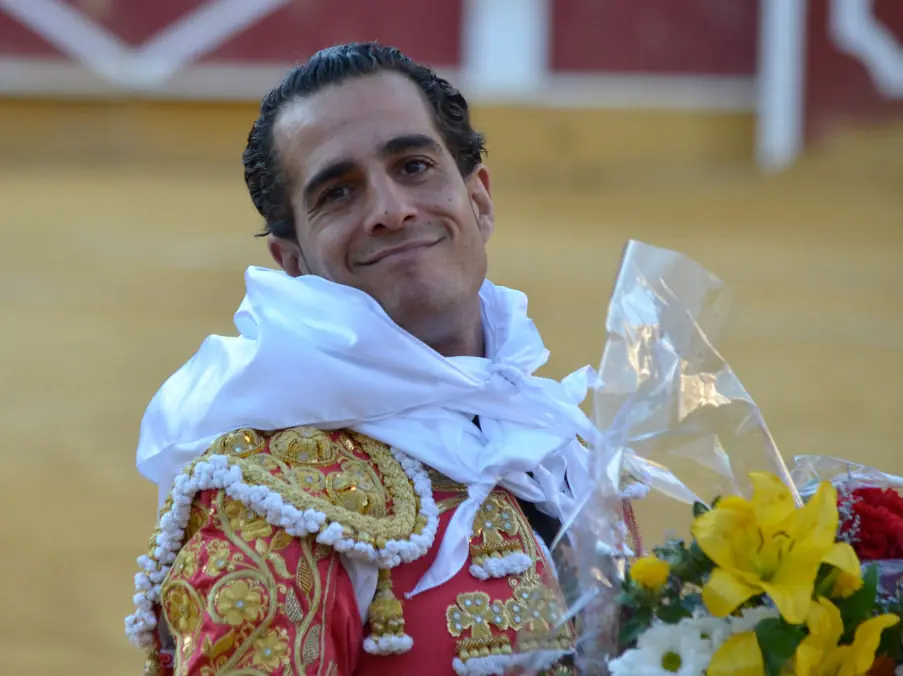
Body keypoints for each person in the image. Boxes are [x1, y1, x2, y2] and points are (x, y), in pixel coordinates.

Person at [125, 42, 599, 676]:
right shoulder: (269, 503)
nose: (392, 209)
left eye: (414, 165)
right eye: (339, 193)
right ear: (293, 263)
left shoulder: (557, 441)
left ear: (479, 200)